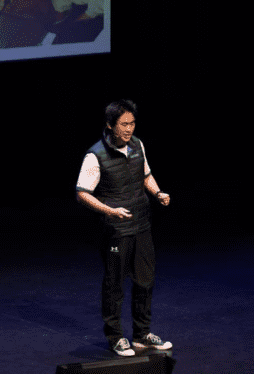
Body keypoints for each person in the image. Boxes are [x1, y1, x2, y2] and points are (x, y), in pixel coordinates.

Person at [75, 100, 173, 357]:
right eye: (123, 124)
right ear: (110, 125)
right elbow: (82, 193)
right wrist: (110, 211)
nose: (129, 129)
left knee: (145, 281)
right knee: (115, 284)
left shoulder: (138, 145)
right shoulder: (95, 155)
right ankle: (115, 337)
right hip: (116, 229)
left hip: (141, 223)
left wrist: (158, 193)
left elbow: (145, 175)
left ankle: (142, 335)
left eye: (132, 123)